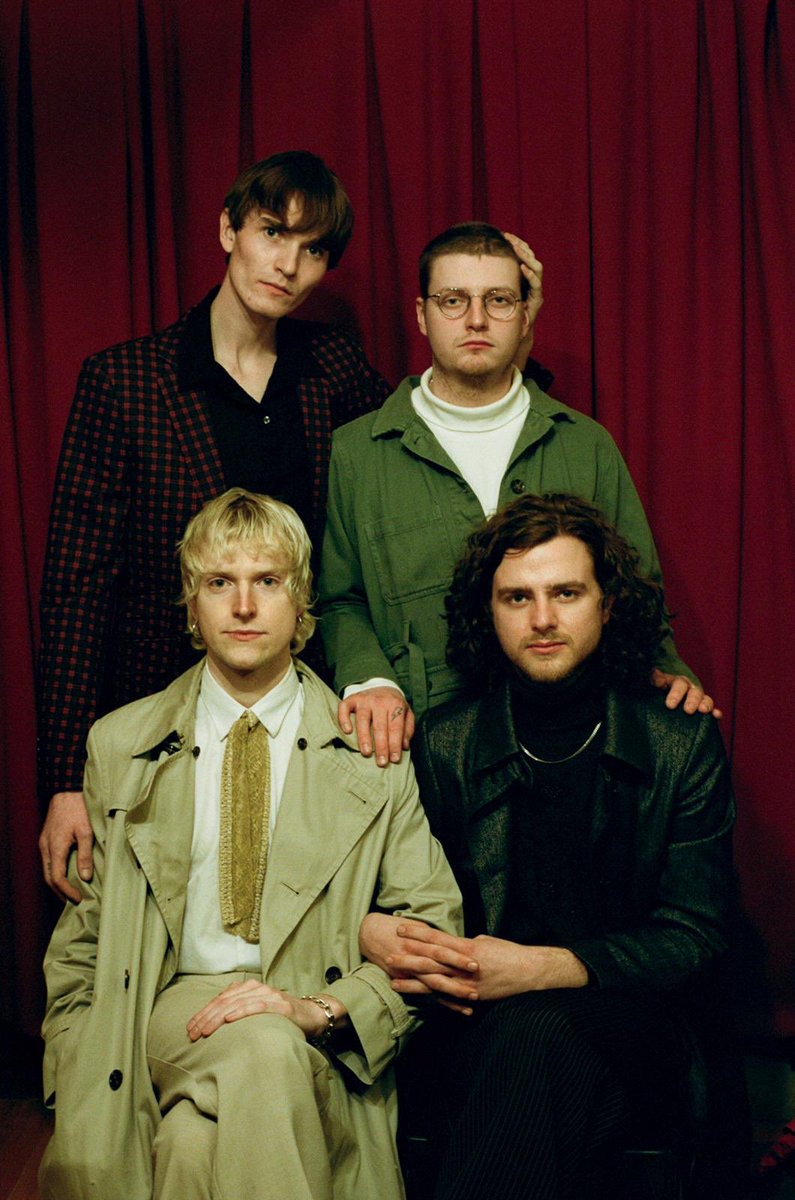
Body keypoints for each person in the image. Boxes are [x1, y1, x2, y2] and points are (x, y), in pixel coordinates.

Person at [39, 488, 462, 1200]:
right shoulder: (120, 743)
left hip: (311, 1014)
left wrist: (319, 1011)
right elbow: (83, 941)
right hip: (163, 1008)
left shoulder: (370, 752)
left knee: (192, 1144)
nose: (242, 606)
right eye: (219, 582)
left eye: (267, 581)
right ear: (191, 603)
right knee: (264, 1049)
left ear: (302, 603)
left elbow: (433, 931)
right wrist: (76, 1063)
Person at [360, 493, 742, 1199]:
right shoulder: (445, 744)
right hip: (480, 1026)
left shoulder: (676, 740)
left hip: (639, 1023)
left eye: (566, 593)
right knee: (515, 1042)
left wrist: (540, 969)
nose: (541, 619)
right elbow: (402, 902)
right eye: (517, 597)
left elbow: (696, 934)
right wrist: (375, 930)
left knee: (533, 1034)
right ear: (488, 612)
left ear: (606, 604)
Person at [38, 150, 392, 902]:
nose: (288, 264)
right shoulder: (126, 381)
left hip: (306, 718)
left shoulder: (332, 370)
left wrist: (515, 340)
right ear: (229, 229)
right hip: (163, 725)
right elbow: (77, 588)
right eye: (273, 232)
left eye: (313, 249)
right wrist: (66, 780)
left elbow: (421, 440)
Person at [319, 222, 716, 771]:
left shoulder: (585, 444)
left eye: (499, 300)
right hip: (426, 752)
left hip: (579, 745)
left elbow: (637, 590)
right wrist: (370, 679)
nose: (476, 319)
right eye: (453, 300)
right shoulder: (358, 453)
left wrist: (668, 670)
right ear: (422, 314)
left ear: (525, 315)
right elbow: (339, 599)